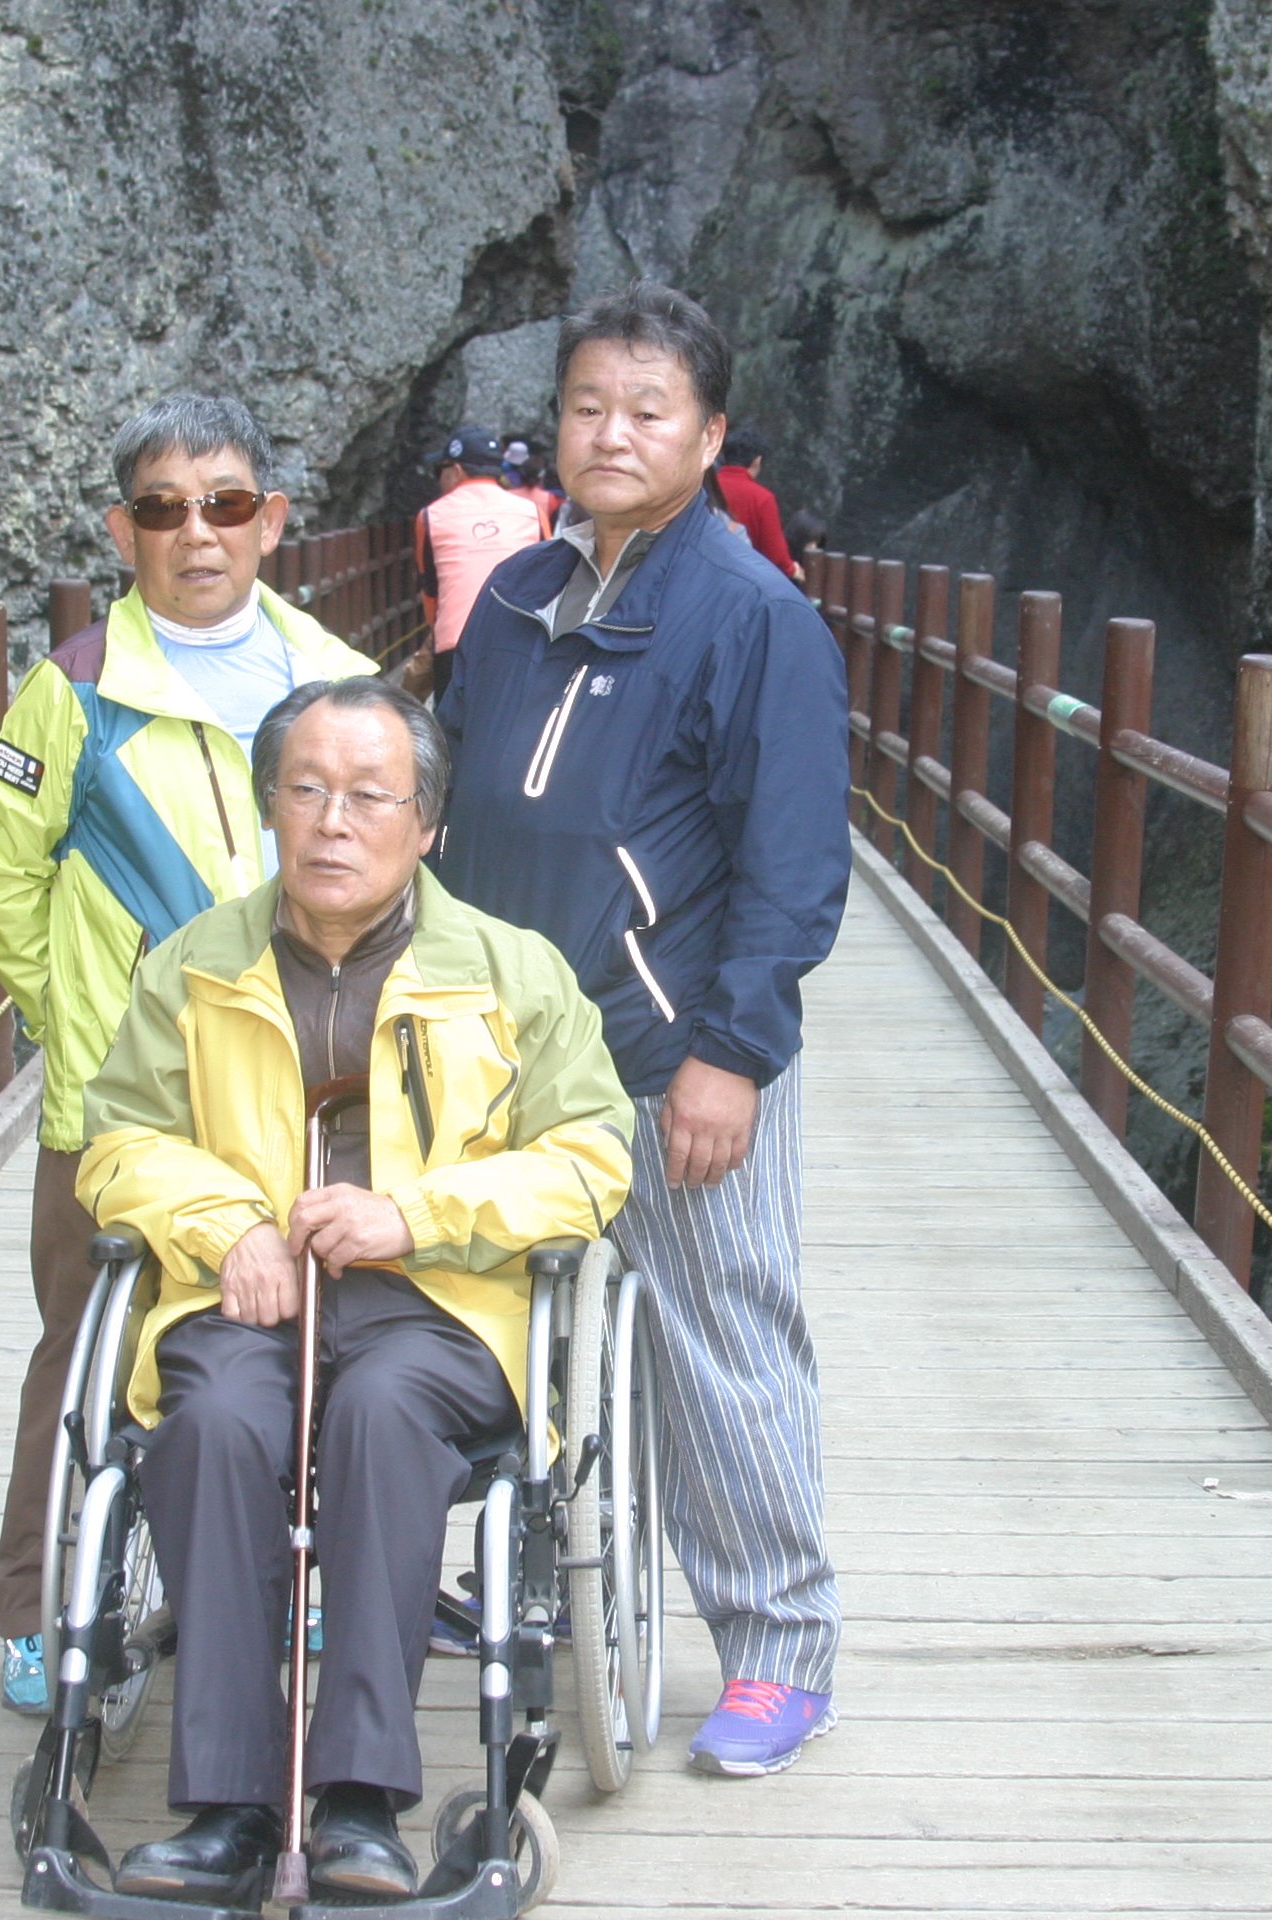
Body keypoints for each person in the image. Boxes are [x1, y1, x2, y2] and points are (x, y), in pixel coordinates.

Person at [76, 677, 635, 1902]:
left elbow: (593, 1158)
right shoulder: (193, 965)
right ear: (270, 806)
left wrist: (415, 1214)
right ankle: (228, 1802)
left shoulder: (514, 971)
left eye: (370, 796)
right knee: (214, 1419)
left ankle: (360, 1800)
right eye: (307, 789)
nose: (334, 820)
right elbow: (117, 1139)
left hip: (442, 1301)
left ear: (426, 824)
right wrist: (228, 1225)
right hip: (249, 1293)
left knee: (382, 1414)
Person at [433, 282, 851, 1779]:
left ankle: (779, 1650)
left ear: (711, 433)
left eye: (648, 410)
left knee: (721, 1337)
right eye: (587, 406)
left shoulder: (754, 618)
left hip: (669, 1049)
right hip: (501, 1047)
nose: (611, 433)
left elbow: (794, 866)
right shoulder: (515, 598)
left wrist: (730, 1055)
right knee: (511, 1318)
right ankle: (537, 1582)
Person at [0, 393, 375, 1717]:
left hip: (301, 1081)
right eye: (163, 509)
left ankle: (292, 1571)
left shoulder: (334, 677)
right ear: (121, 530)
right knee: (81, 1340)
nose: (197, 533)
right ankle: (36, 1603)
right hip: (121, 1098)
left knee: (313, 1331)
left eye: (225, 504)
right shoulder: (74, 689)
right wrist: (80, 1018)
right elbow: (0, 881)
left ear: (273, 521)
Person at [413, 424, 556, 658]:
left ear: (456, 470)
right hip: (520, 644)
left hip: (457, 644)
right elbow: (548, 582)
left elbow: (431, 590)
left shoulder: (431, 516)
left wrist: (440, 634)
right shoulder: (533, 513)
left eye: (440, 470)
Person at [715, 424, 797, 577]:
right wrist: (793, 570)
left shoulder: (704, 487)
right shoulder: (762, 498)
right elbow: (775, 557)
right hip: (742, 579)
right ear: (757, 461)